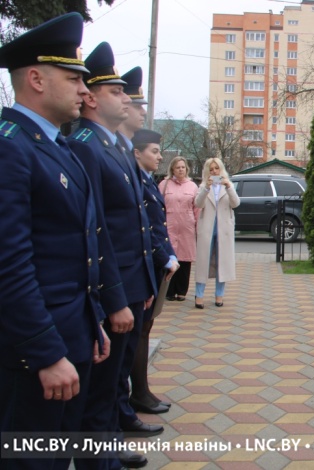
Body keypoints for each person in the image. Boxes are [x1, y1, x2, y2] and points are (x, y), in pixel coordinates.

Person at [0, 13, 112, 470]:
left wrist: (94, 320)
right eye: (73, 78)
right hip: (37, 355)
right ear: (36, 79)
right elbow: (11, 265)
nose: (84, 91)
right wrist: (45, 351)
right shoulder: (10, 147)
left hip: (72, 339)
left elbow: (77, 249)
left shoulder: (54, 146)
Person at [69, 42, 160, 470]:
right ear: (92, 97)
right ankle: (99, 453)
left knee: (111, 378)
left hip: (127, 280)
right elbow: (98, 227)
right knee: (101, 384)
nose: (126, 98)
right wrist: (116, 293)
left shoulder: (115, 146)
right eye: (116, 91)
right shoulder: (88, 146)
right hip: (111, 285)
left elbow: (133, 220)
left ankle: (107, 443)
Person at [127, 128, 175, 418]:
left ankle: (141, 392)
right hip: (145, 264)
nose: (159, 156)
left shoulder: (147, 181)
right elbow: (145, 229)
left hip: (155, 263)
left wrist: (170, 255)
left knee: (145, 329)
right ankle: (139, 394)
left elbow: (159, 225)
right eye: (154, 151)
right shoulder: (137, 181)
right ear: (137, 153)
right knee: (140, 332)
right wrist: (164, 256)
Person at [194, 157, 240, 308]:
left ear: (221, 169)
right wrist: (206, 188)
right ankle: (199, 295)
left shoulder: (228, 185)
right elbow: (198, 204)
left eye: (216, 168)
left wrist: (228, 187)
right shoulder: (202, 186)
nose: (214, 172)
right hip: (207, 228)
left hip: (224, 229)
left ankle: (219, 295)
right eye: (211, 169)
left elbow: (236, 203)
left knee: (223, 263)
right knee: (203, 262)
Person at [160, 156, 199, 301]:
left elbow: (197, 208)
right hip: (169, 225)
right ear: (172, 169)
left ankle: (182, 290)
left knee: (185, 259)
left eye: (183, 167)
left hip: (187, 226)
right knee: (170, 256)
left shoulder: (192, 186)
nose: (181, 169)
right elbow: (159, 205)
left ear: (187, 169)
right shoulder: (164, 184)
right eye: (178, 167)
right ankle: (169, 290)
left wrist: (197, 226)